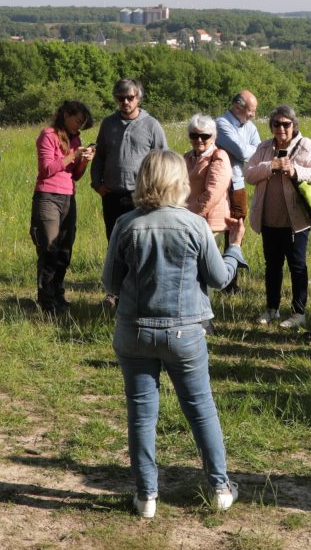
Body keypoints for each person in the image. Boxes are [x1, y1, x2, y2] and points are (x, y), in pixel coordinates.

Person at [102, 149, 248, 518]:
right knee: (201, 411)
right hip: (185, 331)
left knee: (141, 414)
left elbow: (110, 281)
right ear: (179, 182)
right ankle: (219, 487)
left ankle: (146, 495)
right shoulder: (195, 225)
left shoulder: (126, 224)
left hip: (134, 330)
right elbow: (219, 278)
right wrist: (234, 247)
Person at [244, 104, 311, 328]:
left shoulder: (306, 146)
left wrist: (296, 171)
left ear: (294, 125)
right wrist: (269, 166)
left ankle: (298, 313)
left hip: (296, 221)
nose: (281, 128)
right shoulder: (263, 147)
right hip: (268, 219)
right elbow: (249, 174)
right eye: (276, 124)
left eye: (286, 124)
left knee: (297, 266)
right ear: (271, 126)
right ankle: (272, 309)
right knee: (272, 266)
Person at [32, 100, 95, 316]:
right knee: (49, 249)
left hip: (69, 197)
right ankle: (46, 300)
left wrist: (85, 161)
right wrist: (73, 155)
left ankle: (58, 292)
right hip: (48, 196)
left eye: (83, 123)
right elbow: (46, 168)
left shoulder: (75, 138)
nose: (79, 126)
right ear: (66, 115)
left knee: (65, 250)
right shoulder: (48, 135)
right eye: (78, 121)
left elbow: (75, 175)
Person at [89, 78, 169, 240]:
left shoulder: (151, 125)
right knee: (114, 241)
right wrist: (97, 184)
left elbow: (164, 161)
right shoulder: (108, 123)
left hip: (141, 196)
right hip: (111, 196)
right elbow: (99, 156)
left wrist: (156, 191)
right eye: (120, 98)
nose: (125, 101)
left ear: (138, 98)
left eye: (130, 98)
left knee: (140, 242)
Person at [183, 113, 235, 241]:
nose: (199, 140)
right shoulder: (186, 157)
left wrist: (189, 214)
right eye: (194, 135)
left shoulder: (219, 156)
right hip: (189, 221)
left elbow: (213, 193)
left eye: (204, 136)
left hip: (210, 224)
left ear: (213, 137)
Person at [214, 90, 261, 221]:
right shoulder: (221, 123)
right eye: (250, 111)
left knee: (238, 223)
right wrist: (251, 149)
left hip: (238, 184)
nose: (253, 115)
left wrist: (248, 149)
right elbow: (242, 152)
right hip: (219, 184)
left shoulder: (250, 127)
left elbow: (261, 152)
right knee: (217, 225)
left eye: (255, 111)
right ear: (237, 106)